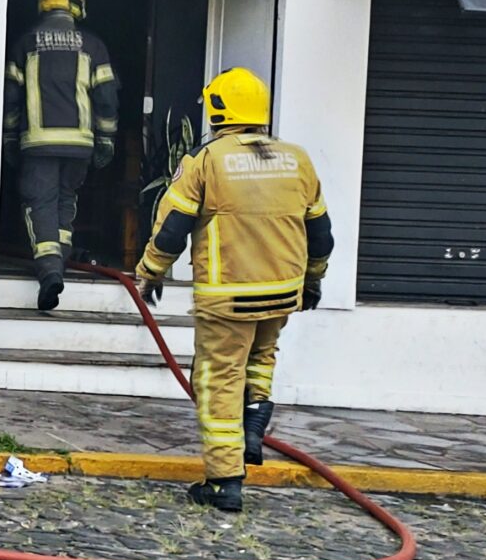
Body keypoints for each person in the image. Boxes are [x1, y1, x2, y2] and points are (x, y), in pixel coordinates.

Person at [134, 67, 335, 514]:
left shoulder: (206, 160)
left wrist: (150, 273)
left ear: (218, 111)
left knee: (218, 379)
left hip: (228, 296)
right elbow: (321, 233)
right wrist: (313, 280)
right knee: (260, 358)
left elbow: (172, 228)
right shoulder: (298, 160)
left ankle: (224, 481)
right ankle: (255, 419)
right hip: (282, 291)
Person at [4, 0, 117, 312]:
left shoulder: (25, 44)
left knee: (40, 204)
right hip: (79, 145)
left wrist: (9, 137)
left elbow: (11, 98)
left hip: (38, 144)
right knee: (66, 201)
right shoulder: (93, 46)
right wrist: (106, 139)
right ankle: (60, 261)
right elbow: (107, 98)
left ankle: (50, 271)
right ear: (75, 7)